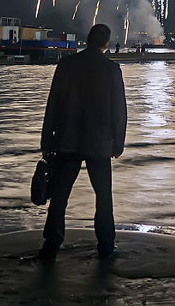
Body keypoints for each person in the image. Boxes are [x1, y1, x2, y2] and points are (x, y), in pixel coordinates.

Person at [37, 23, 128, 262]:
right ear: (106, 43)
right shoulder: (111, 69)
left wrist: (46, 141)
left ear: (87, 40)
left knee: (59, 197)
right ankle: (106, 245)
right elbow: (119, 111)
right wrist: (118, 143)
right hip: (99, 143)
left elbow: (53, 105)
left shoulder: (66, 66)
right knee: (103, 196)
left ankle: (51, 245)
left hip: (66, 140)